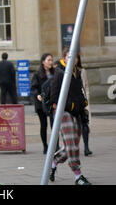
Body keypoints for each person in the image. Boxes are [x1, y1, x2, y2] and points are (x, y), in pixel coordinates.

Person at [49, 48, 91, 185]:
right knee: (72, 146)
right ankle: (78, 176)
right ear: (64, 57)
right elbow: (54, 95)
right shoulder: (60, 72)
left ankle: (53, 162)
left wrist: (83, 105)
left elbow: (80, 91)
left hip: (77, 112)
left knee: (70, 146)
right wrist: (64, 106)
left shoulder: (77, 72)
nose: (73, 59)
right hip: (63, 112)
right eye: (69, 56)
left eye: (75, 57)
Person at [31, 53, 56, 154]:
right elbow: (33, 88)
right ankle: (45, 146)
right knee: (44, 125)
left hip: (52, 102)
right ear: (43, 62)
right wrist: (37, 95)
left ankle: (56, 145)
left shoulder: (55, 72)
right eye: (48, 60)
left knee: (54, 124)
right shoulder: (37, 74)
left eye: (51, 60)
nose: (51, 62)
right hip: (41, 103)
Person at [77, 54, 92, 156]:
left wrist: (87, 100)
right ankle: (74, 148)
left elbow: (86, 86)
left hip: (83, 101)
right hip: (72, 102)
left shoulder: (82, 71)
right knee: (76, 126)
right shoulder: (66, 71)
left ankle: (86, 147)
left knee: (85, 124)